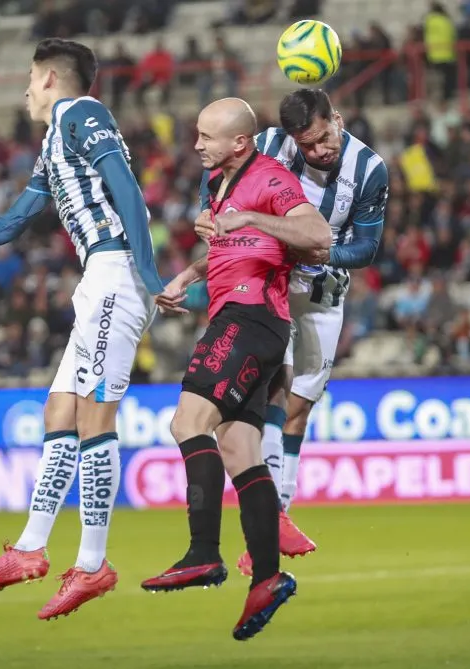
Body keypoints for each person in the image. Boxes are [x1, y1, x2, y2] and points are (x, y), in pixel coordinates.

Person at [0, 39, 165, 620]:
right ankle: (29, 549)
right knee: (58, 412)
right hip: (98, 279)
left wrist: (148, 273)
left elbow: (126, 189)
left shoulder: (82, 113)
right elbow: (16, 220)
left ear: (51, 77)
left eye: (29, 77)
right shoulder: (55, 140)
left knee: (95, 416)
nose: (25, 89)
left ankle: (94, 562)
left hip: (115, 273)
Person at [141, 98, 331, 641]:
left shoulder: (268, 179)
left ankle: (204, 552)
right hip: (252, 321)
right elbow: (242, 248)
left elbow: (317, 234)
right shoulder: (222, 183)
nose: (197, 143)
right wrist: (187, 278)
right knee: (238, 450)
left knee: (187, 423)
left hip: (249, 321)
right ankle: (268, 578)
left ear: (239, 142)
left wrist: (247, 215)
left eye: (206, 136)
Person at [196, 89, 387, 576]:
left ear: (337, 120)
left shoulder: (370, 169)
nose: (318, 151)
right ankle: (271, 519)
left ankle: (278, 512)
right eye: (307, 145)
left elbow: (366, 246)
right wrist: (208, 212)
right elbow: (222, 171)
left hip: (324, 288)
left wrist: (325, 256)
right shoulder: (268, 144)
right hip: (268, 279)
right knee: (269, 392)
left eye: (324, 138)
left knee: (300, 407)